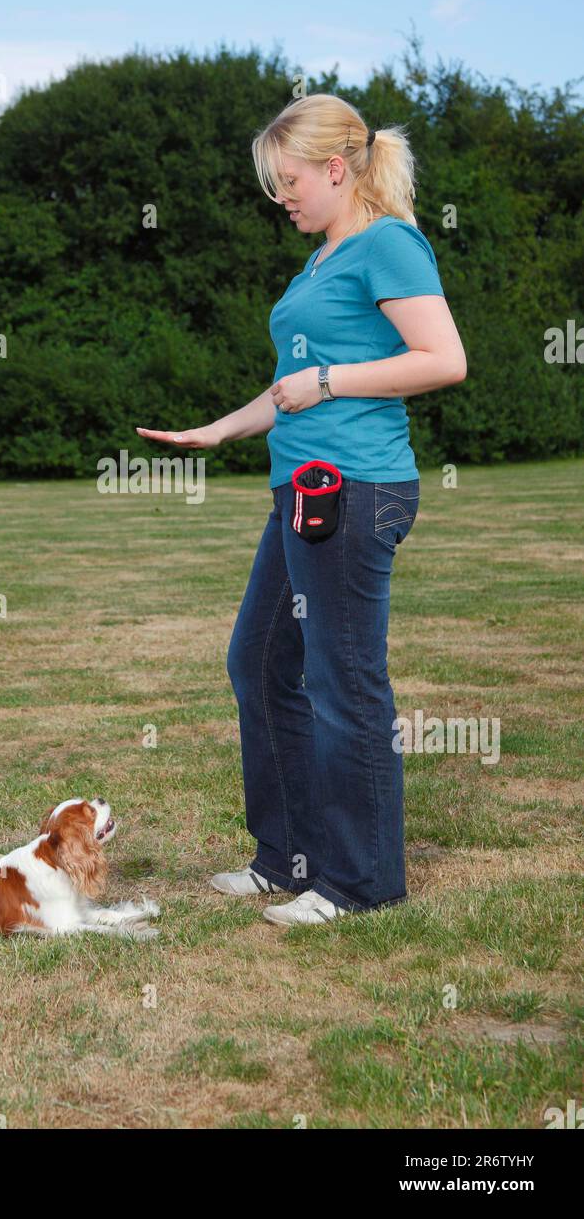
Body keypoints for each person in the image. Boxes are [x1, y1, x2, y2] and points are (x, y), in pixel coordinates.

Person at [136, 93, 467, 927]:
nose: (279, 196)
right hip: (303, 487)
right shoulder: (320, 261)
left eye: (287, 180)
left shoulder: (388, 244)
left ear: (333, 168)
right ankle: (287, 856)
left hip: (356, 489)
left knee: (343, 682)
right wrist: (221, 428)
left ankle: (361, 883)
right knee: (258, 663)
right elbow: (291, 385)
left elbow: (443, 358)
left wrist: (327, 381)